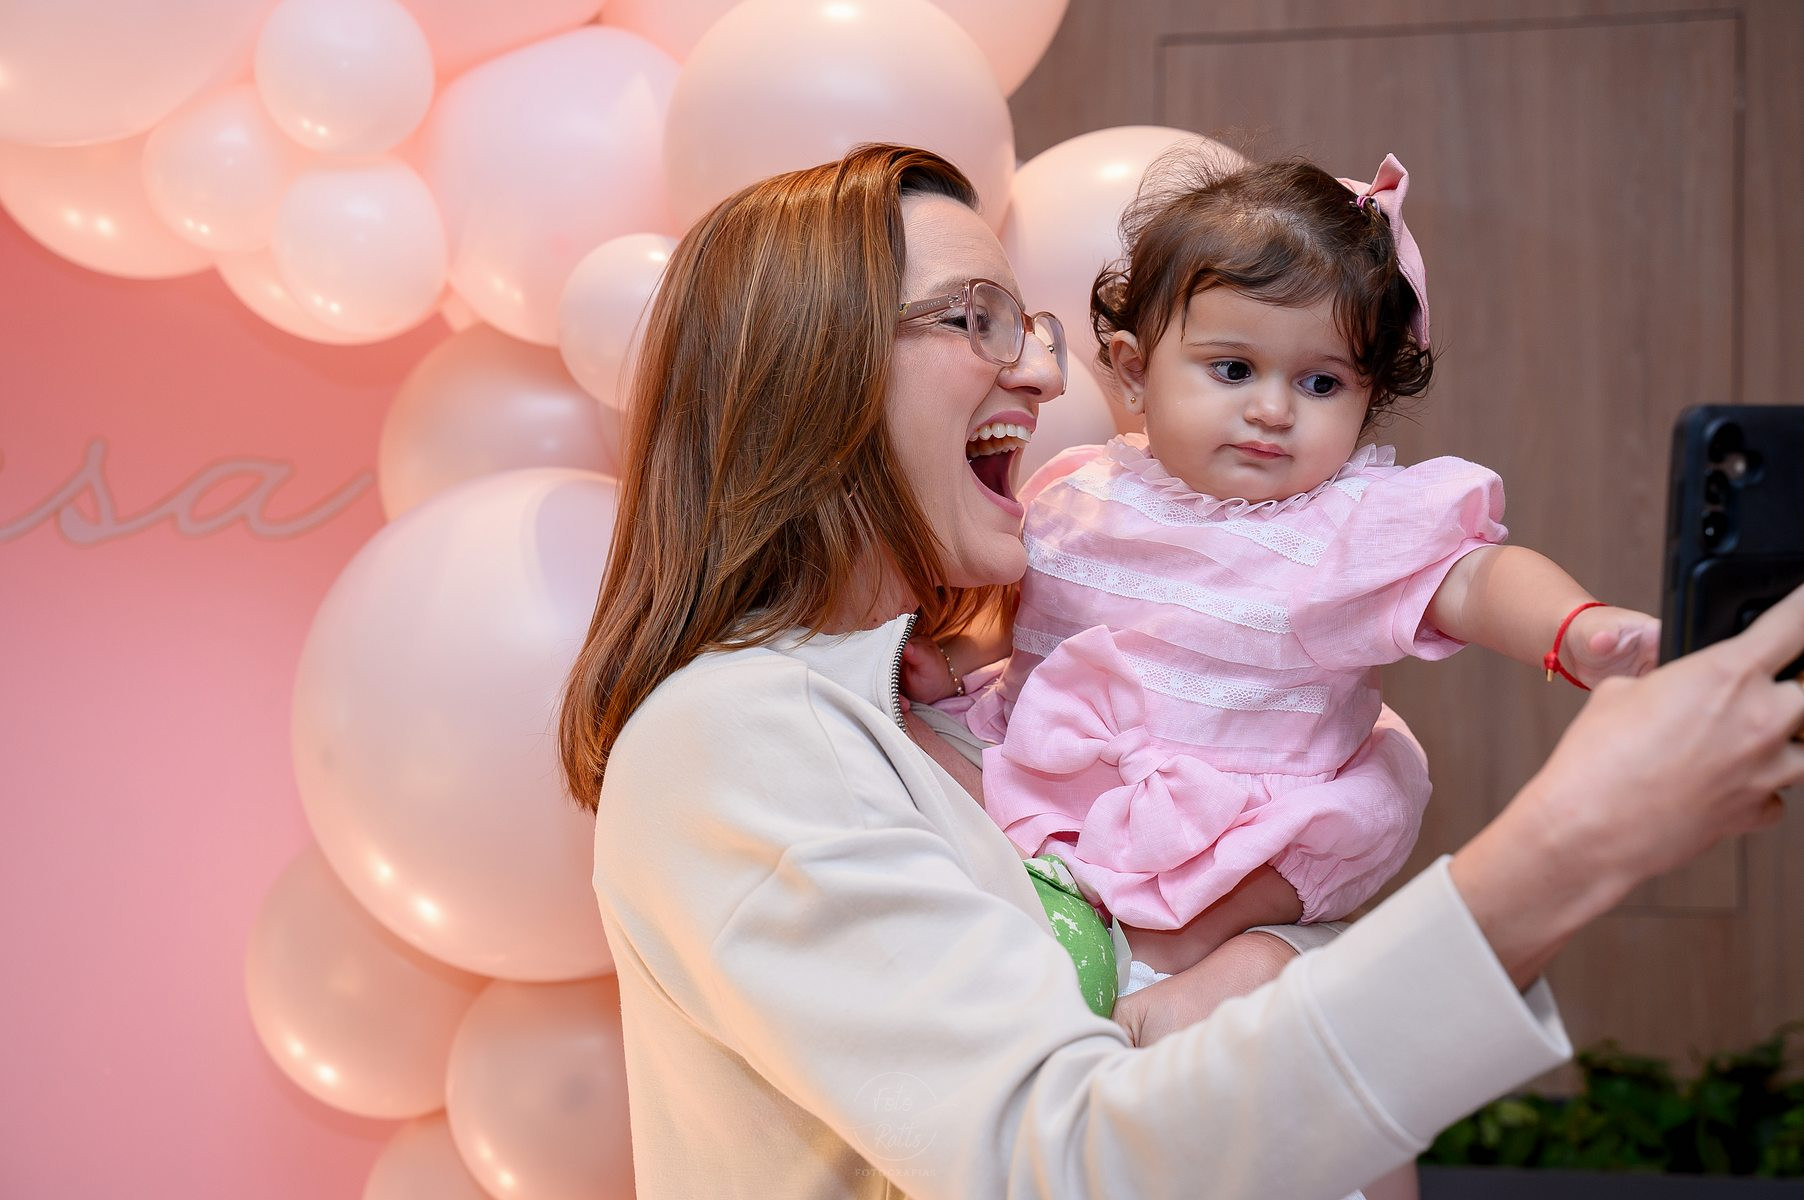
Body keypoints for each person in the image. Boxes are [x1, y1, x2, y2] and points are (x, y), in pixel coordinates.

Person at [557, 143, 1804, 1200]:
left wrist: (1284, 928)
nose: (1042, 372)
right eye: (975, 319)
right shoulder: (736, 734)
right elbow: (1066, 1160)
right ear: (806, 364)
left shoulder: (970, 704)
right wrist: (1577, 842)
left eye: (1028, 326)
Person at [899, 152, 1660, 1020]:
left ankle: (1179, 953)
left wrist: (1573, 627)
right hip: (1063, 779)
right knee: (943, 782)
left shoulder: (1347, 525)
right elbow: (1040, 609)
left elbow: (1478, 578)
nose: (1272, 409)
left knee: (1310, 888)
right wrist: (960, 656)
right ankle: (1087, 927)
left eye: (1321, 383)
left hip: (1239, 826)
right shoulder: (1078, 487)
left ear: (1368, 399)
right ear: (1136, 370)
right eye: (1233, 369)